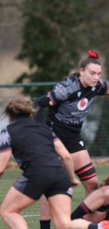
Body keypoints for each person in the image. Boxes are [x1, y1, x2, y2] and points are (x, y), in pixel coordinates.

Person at [34, 50, 109, 228]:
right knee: (52, 186)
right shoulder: (67, 88)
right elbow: (37, 105)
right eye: (92, 73)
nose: (96, 77)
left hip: (73, 140)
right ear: (81, 71)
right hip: (55, 139)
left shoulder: (96, 86)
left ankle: (84, 223)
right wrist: (43, 134)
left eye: (99, 74)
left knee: (92, 183)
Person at [0, 97, 79, 229]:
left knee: (8, 211)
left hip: (36, 173)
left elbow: (1, 166)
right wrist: (71, 178)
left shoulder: (7, 131)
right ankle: (99, 227)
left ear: (9, 115)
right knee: (65, 224)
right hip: (59, 174)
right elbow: (66, 156)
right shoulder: (44, 129)